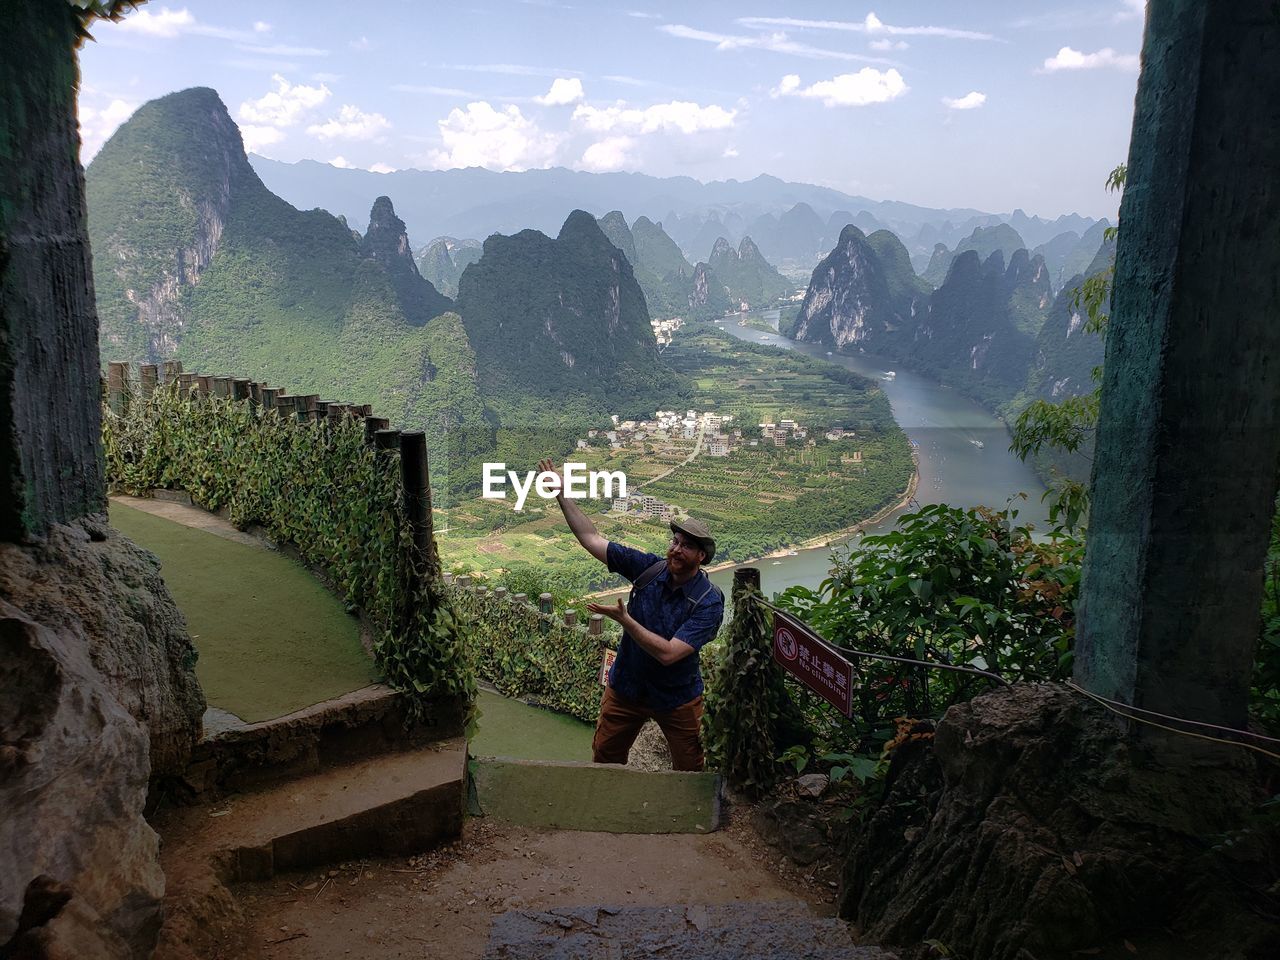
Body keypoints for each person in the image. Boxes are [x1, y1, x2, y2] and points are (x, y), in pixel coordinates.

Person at [537, 458, 724, 771]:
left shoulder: (708, 602)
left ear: (701, 556)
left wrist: (626, 621)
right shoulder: (648, 568)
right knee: (605, 759)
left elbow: (668, 654)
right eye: (675, 541)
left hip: (677, 696)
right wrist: (561, 494)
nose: (676, 550)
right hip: (626, 686)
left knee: (691, 769)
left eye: (687, 546)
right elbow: (592, 539)